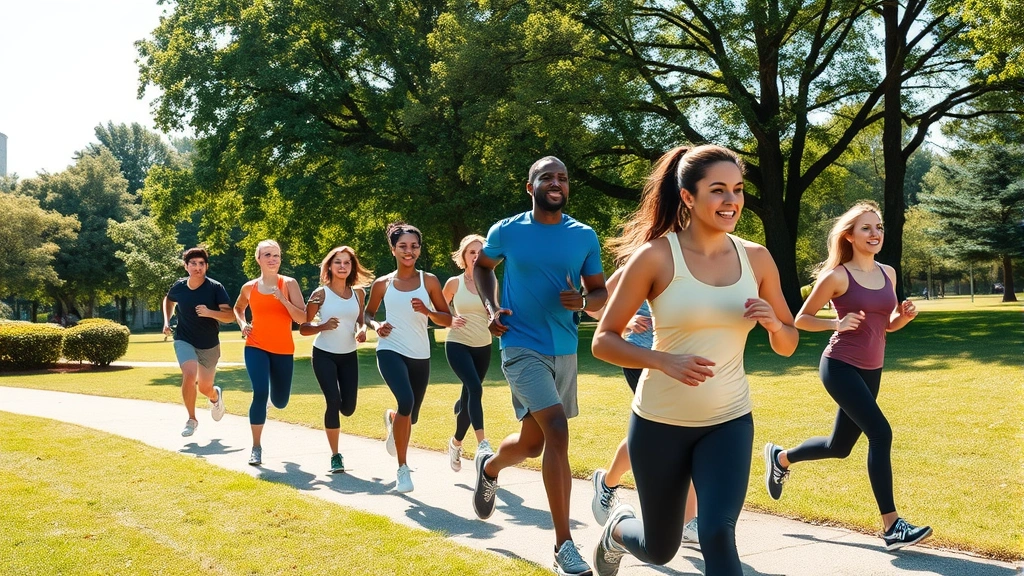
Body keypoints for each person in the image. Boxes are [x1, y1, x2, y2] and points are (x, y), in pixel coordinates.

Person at [590, 144, 798, 576]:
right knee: (660, 547)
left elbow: (789, 343)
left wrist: (775, 326)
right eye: (718, 190)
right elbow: (603, 341)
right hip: (660, 423)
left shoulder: (756, 258)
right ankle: (618, 530)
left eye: (738, 190)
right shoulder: (656, 257)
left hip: (729, 419)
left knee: (718, 533)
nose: (731, 201)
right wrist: (662, 361)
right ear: (688, 196)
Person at [763, 201, 931, 551]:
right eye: (866, 228)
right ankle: (892, 526)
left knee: (839, 447)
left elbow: (885, 325)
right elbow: (801, 319)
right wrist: (834, 323)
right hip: (840, 365)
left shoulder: (888, 273)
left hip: (872, 368)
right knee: (881, 433)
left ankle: (781, 458)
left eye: (879, 227)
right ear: (850, 236)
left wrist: (904, 318)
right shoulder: (838, 276)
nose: (875, 234)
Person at [471, 156, 607, 576]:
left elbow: (600, 294)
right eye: (546, 177)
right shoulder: (507, 231)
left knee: (532, 444)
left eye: (562, 178)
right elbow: (482, 266)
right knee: (558, 431)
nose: (556, 183)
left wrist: (583, 303)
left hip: (564, 347)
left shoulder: (584, 235)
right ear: (529, 186)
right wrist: (493, 308)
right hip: (520, 344)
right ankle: (564, 545)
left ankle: (490, 466)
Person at [586, 269, 699, 546]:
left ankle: (687, 520)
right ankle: (609, 482)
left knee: (689, 433)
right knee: (669, 435)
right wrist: (624, 325)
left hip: (682, 362)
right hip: (642, 360)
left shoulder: (695, 260)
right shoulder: (641, 261)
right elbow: (594, 307)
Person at [365, 222, 452, 493]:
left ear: (419, 250)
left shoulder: (430, 281)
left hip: (419, 353)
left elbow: (447, 319)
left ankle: (393, 419)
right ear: (393, 249)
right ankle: (403, 470)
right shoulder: (383, 284)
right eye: (402, 246)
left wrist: (426, 310)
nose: (409, 251)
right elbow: (367, 313)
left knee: (409, 416)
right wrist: (377, 326)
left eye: (414, 246)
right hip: (390, 348)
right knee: (406, 400)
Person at [233, 240, 307, 466]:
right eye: (267, 255)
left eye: (276, 255)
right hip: (255, 346)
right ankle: (256, 447)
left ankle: (270, 402)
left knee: (281, 401)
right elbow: (238, 308)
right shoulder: (249, 287)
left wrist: (282, 299)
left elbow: (302, 318)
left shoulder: (289, 283)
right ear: (258, 259)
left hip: (283, 349)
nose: (273, 259)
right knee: (260, 392)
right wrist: (242, 324)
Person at [301, 246, 374, 474]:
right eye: (338, 262)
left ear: (352, 267)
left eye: (347, 263)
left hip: (349, 356)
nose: (342, 267)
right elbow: (303, 327)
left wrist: (362, 330)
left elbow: (361, 320)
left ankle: (342, 417)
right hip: (324, 354)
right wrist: (322, 326)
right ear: (329, 267)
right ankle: (335, 455)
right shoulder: (320, 294)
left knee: (348, 408)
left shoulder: (359, 293)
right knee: (333, 401)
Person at [162, 246, 234, 437]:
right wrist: (166, 321)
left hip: (209, 344)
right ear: (186, 266)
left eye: (201, 264)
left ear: (206, 266)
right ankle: (192, 420)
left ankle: (215, 396)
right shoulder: (179, 286)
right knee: (189, 373)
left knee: (205, 388)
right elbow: (168, 300)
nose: (197, 267)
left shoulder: (215, 288)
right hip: (184, 339)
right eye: (193, 263)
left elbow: (230, 316)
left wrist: (210, 313)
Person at [442, 234, 494, 471]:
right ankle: (483, 443)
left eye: (480, 251)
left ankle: (455, 443)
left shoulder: (490, 280)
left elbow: (496, 310)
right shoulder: (454, 282)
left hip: (483, 345)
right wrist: (450, 319)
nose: (476, 255)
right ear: (463, 257)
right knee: (475, 388)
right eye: (471, 252)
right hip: (458, 343)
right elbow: (438, 311)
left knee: (467, 401)